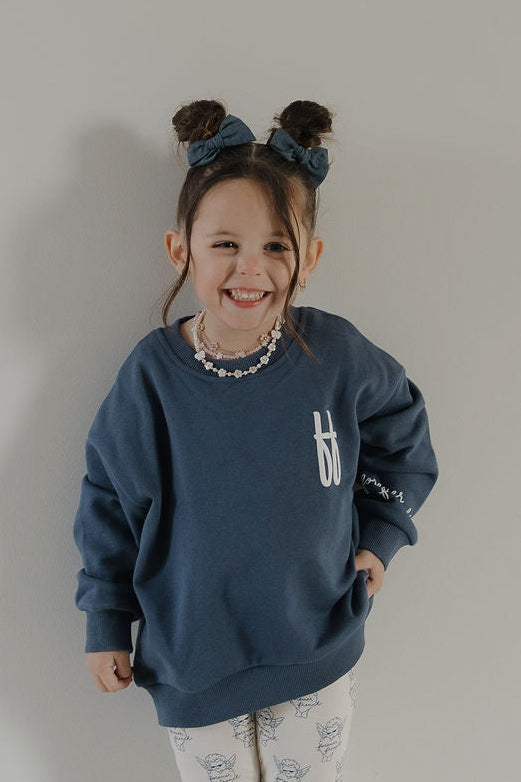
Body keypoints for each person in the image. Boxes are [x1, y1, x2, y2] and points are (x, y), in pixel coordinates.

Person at [73, 98, 439, 781]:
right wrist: (105, 621)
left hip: (315, 645)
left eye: (276, 246)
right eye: (225, 245)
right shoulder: (152, 376)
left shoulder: (336, 355)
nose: (250, 268)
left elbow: (404, 437)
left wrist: (381, 535)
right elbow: (108, 501)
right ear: (180, 250)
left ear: (309, 259)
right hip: (193, 658)